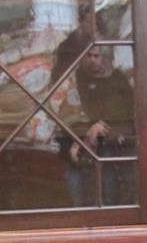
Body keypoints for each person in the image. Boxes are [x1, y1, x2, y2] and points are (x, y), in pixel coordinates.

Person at [51, 14, 136, 206]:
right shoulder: (73, 82)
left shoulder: (118, 79)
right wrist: (83, 135)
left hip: (116, 148)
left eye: (96, 55)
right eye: (88, 56)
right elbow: (65, 117)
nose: (92, 60)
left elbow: (126, 114)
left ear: (103, 56)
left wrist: (102, 128)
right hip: (79, 152)